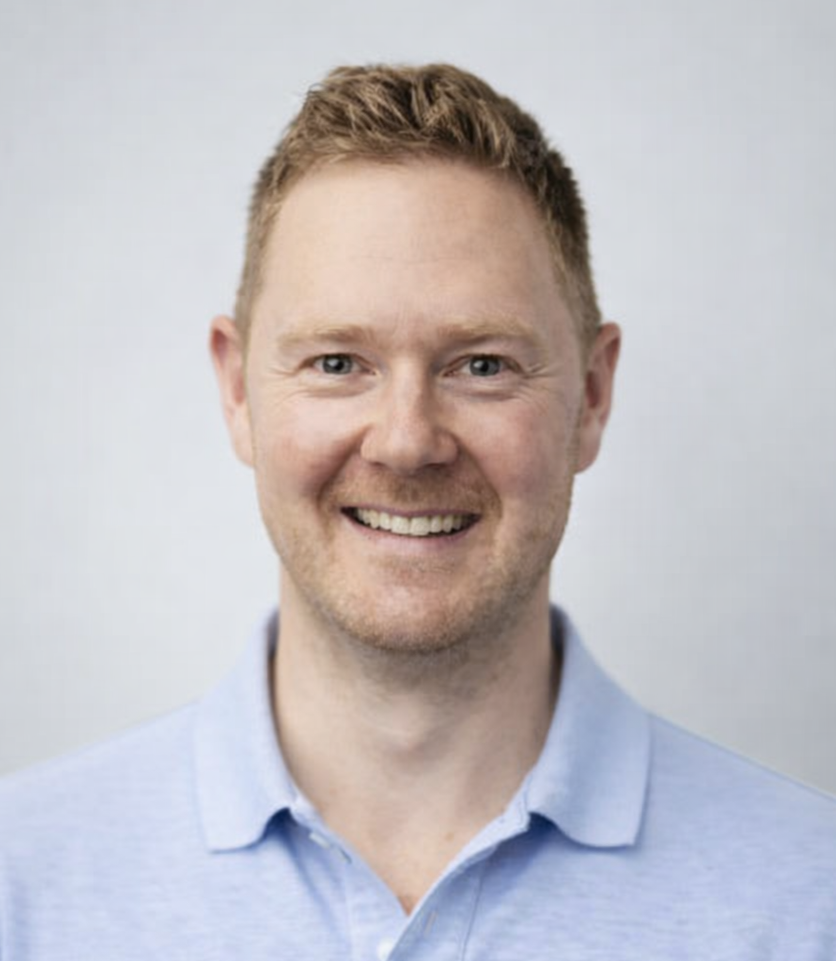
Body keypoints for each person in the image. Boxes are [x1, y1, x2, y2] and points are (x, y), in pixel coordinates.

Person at [1, 63, 834, 960]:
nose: (406, 442)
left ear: (591, 397)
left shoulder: (810, 898)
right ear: (238, 391)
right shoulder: (24, 887)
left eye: (482, 365)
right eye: (336, 363)